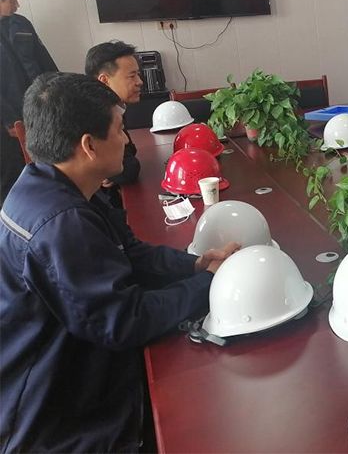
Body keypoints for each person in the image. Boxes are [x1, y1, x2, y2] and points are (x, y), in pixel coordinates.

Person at [0, 73, 238, 452]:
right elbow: (123, 321)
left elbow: (131, 253)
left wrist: (194, 265)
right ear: (89, 145)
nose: (127, 140)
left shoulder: (52, 186)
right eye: (118, 129)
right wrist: (212, 283)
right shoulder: (61, 224)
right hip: (60, 424)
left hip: (81, 380)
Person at [0, 0, 58, 204]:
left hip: (36, 107)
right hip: (6, 118)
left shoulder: (22, 24)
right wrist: (9, 120)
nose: (17, 5)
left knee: (46, 163)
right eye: (13, 0)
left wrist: (57, 93)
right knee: (11, 172)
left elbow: (44, 61)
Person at [85, 40, 144, 207]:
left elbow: (128, 155)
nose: (139, 81)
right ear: (104, 80)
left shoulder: (116, 108)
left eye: (138, 75)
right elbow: (127, 170)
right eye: (132, 76)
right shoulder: (94, 116)